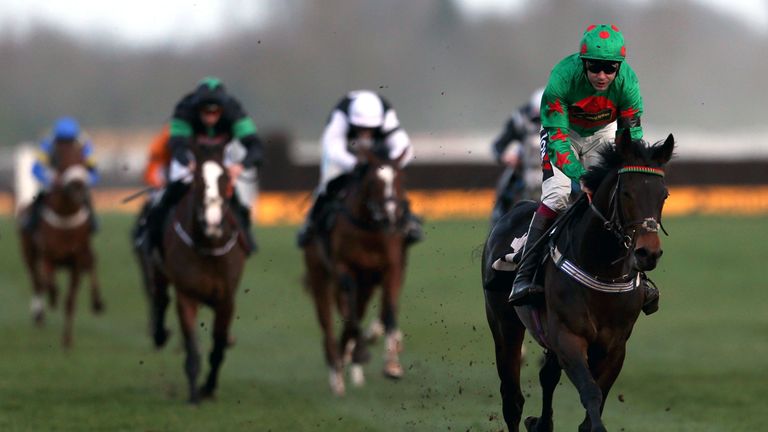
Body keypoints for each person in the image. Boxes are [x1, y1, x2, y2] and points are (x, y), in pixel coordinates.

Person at [508, 24, 659, 315]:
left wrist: (627, 175)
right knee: (558, 196)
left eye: (610, 69)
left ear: (619, 67)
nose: (602, 76)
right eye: (595, 68)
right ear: (583, 62)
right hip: (561, 135)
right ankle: (524, 274)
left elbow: (630, 141)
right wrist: (583, 179)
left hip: (603, 133)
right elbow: (557, 139)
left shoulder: (628, 84)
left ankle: (639, 277)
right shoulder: (562, 78)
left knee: (618, 200)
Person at [143, 77, 263, 255]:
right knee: (168, 196)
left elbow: (255, 146)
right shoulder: (184, 109)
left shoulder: (235, 111)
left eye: (215, 113)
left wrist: (241, 165)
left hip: (221, 158)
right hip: (191, 157)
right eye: (205, 112)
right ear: (197, 108)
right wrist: (187, 162)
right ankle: (152, 240)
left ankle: (246, 238)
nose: (210, 117)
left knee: (236, 200)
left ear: (223, 110)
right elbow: (176, 144)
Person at [296, 90, 423, 247]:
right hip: (344, 153)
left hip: (376, 157)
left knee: (390, 182)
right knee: (327, 183)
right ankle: (310, 224)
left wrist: (387, 166)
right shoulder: (340, 115)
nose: (365, 133)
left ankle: (408, 222)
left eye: (370, 129)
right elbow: (333, 149)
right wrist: (354, 164)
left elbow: (404, 148)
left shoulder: (386, 114)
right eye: (360, 128)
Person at [23, 117, 99, 232]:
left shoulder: (84, 145)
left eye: (69, 141)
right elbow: (36, 169)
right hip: (53, 177)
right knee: (40, 197)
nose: (65, 145)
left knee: (85, 198)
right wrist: (50, 180)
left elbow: (94, 171)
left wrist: (85, 180)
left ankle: (93, 223)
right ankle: (32, 223)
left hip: (74, 181)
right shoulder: (47, 144)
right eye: (62, 141)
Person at [490, 87, 544, 226]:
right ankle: (498, 222)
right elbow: (498, 145)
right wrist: (506, 157)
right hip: (524, 171)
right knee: (504, 187)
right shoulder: (520, 120)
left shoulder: (568, 121)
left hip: (556, 170)